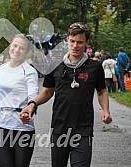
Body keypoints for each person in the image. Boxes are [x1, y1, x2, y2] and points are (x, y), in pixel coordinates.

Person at [20, 22, 112, 167]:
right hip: (59, 128)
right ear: (67, 40)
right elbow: (48, 91)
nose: (75, 45)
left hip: (83, 130)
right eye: (72, 41)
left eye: (80, 42)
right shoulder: (55, 64)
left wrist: (106, 111)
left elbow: (101, 92)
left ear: (87, 43)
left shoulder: (94, 67)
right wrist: (33, 104)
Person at [0, 34, 39, 167]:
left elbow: (34, 97)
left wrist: (30, 111)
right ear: (10, 46)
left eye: (22, 48)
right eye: (15, 46)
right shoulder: (2, 69)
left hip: (22, 127)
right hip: (2, 126)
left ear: (27, 52)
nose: (16, 50)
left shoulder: (30, 72)